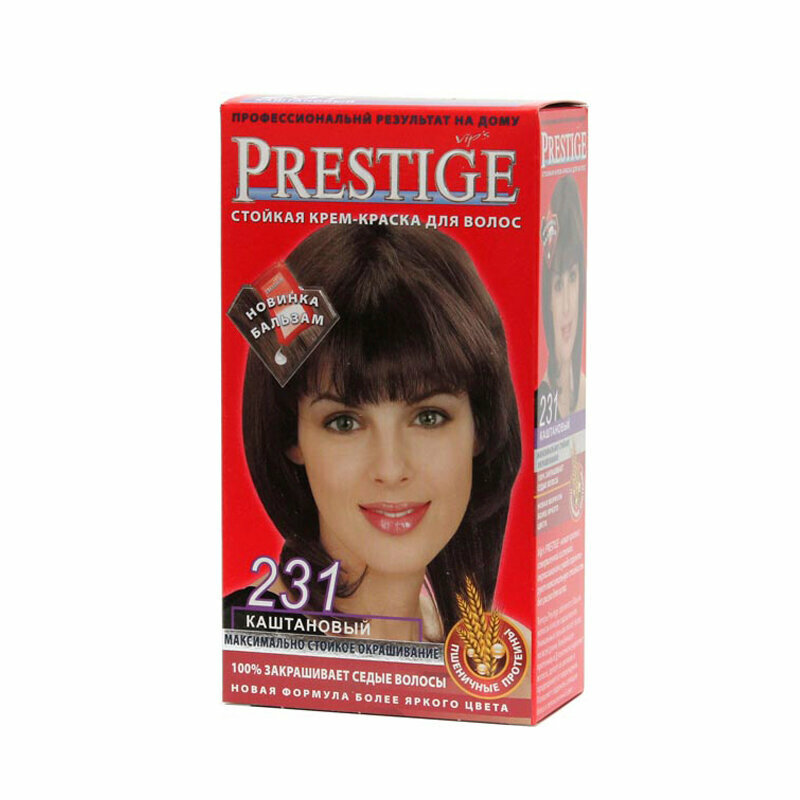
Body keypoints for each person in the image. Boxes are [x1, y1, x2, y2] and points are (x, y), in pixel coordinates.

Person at [229, 223, 521, 642]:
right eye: (344, 423)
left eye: (429, 417)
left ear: (482, 426)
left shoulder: (489, 656)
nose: (390, 469)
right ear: (291, 436)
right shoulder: (242, 644)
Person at [538, 175, 586, 425]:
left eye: (573, 277)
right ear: (547, 299)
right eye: (558, 286)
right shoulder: (539, 404)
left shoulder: (586, 394)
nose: (567, 306)